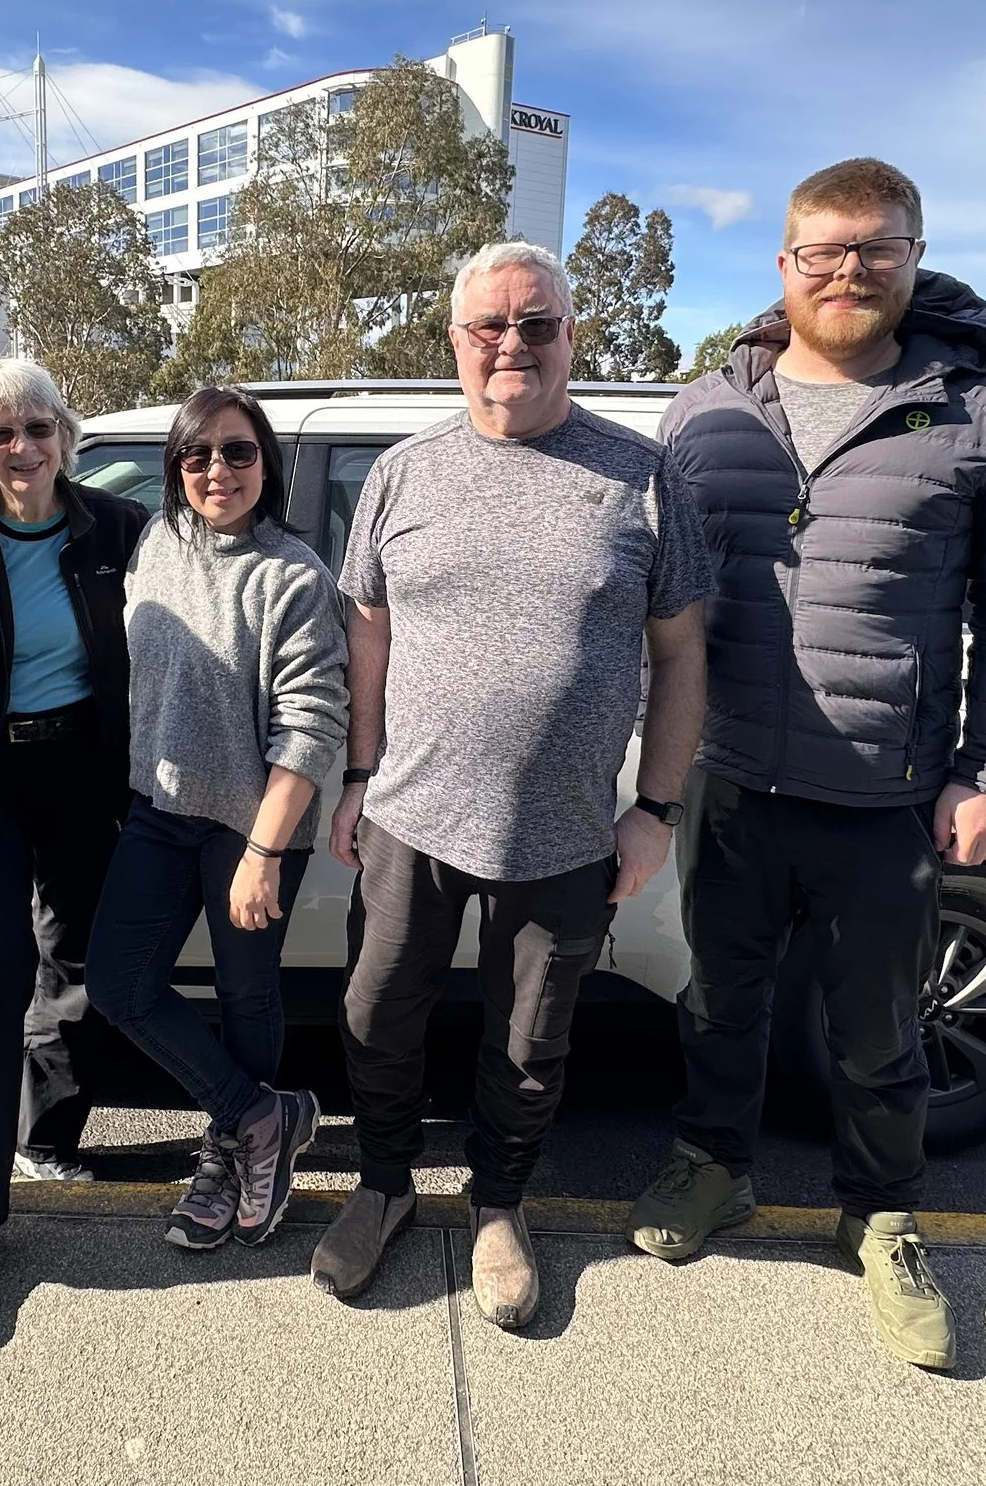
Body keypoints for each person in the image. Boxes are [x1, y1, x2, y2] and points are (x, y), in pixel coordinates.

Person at [635, 158, 986, 1371]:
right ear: (782, 267)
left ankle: (880, 1214)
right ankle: (712, 1168)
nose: (846, 273)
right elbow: (652, 595)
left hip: (886, 789)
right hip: (728, 777)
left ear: (913, 257)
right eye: (821, 252)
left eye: (874, 249)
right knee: (719, 1002)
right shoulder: (706, 410)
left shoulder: (978, 412)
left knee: (880, 1030)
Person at [315, 240, 712, 1330]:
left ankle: (499, 1204)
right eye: (488, 324)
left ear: (570, 336)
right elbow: (368, 640)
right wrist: (356, 772)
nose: (512, 344)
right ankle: (386, 1185)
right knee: (375, 1013)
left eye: (536, 322)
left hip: (571, 827)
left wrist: (655, 806)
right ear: (454, 341)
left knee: (530, 1041)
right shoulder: (401, 473)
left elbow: (681, 654)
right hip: (408, 813)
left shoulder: (641, 477)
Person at [0, 356, 150, 1343]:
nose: (22, 448)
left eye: (37, 428)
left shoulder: (120, 530)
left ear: (65, 437)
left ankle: (46, 1135)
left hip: (88, 770)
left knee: (80, 953)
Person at [88, 388, 350, 1252]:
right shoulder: (157, 541)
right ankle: (256, 1117)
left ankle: (233, 1148)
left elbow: (313, 723)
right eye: (197, 456)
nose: (218, 471)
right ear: (174, 468)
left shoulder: (293, 575)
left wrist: (265, 851)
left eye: (238, 453)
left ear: (266, 463)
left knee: (247, 989)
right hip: (161, 809)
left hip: (252, 824)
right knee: (119, 983)